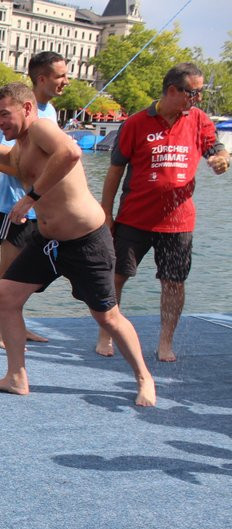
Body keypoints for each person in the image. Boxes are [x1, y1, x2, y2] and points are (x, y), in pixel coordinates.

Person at [0, 83, 156, 407]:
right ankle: (16, 377)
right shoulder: (20, 145)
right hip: (48, 243)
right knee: (5, 297)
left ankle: (144, 377)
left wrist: (31, 197)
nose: (0, 122)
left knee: (107, 318)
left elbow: (71, 152)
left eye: (5, 114)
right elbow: (8, 159)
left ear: (27, 109)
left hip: (86, 241)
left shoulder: (41, 128)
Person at [95, 62, 229, 362]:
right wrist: (106, 211)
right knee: (117, 276)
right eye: (193, 93)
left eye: (200, 93)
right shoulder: (136, 123)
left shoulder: (199, 120)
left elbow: (216, 149)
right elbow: (115, 170)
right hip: (134, 217)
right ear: (172, 90)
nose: (198, 99)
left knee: (174, 282)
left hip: (179, 221)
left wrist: (223, 158)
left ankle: (165, 341)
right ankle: (107, 333)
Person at [0, 51, 68, 348]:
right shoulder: (14, 109)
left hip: (41, 208)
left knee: (29, 273)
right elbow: (4, 161)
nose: (66, 81)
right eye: (61, 76)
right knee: (9, 270)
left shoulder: (50, 113)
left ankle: (16, 325)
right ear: (42, 78)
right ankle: (1, 331)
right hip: (14, 204)